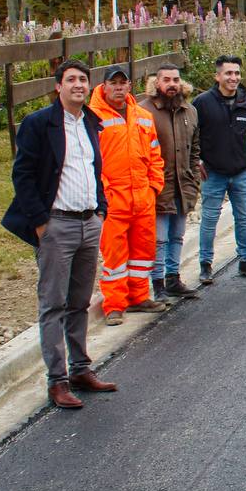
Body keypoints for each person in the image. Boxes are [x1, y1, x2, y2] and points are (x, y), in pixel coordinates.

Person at [2, 60, 117, 409]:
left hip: (88, 223)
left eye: (83, 79)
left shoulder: (91, 123)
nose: (78, 85)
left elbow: (94, 170)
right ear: (58, 86)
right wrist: (40, 222)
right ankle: (57, 380)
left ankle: (81, 369)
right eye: (71, 80)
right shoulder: (40, 123)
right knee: (53, 304)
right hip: (56, 225)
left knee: (80, 302)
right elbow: (22, 175)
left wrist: (100, 209)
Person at [88, 65, 166, 325]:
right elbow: (91, 161)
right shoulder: (92, 118)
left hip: (142, 196)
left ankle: (139, 296)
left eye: (123, 83)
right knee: (115, 256)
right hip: (114, 198)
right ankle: (114, 305)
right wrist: (104, 193)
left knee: (142, 252)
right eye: (114, 83)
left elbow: (155, 154)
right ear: (104, 87)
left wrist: (153, 187)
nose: (119, 88)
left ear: (130, 86)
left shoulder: (143, 116)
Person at [194, 55, 246, 283]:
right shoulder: (202, 103)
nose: (233, 78)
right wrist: (197, 160)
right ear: (218, 76)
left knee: (243, 217)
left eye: (236, 73)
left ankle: (245, 259)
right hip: (212, 172)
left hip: (240, 172)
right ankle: (205, 264)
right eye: (228, 73)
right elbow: (191, 134)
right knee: (209, 219)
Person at [139, 64, 200, 301]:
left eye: (176, 79)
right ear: (157, 83)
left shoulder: (190, 111)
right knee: (159, 238)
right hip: (157, 187)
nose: (172, 84)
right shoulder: (144, 111)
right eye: (166, 80)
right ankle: (158, 284)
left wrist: (193, 179)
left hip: (182, 185)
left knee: (177, 235)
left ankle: (173, 278)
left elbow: (195, 149)